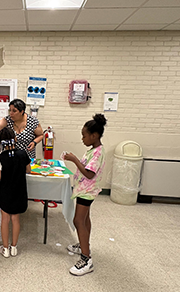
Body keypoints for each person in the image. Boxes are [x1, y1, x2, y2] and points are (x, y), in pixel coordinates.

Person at [63, 113, 107, 276]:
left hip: (87, 190)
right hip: (85, 189)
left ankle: (86, 259)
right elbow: (87, 168)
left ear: (94, 136)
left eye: (84, 136)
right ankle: (83, 244)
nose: (82, 139)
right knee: (85, 218)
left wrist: (74, 160)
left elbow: (89, 174)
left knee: (78, 220)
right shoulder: (94, 150)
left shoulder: (97, 153)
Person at [0, 127, 31, 258]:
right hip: (19, 192)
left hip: (5, 193)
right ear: (15, 139)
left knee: (5, 219)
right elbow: (28, 170)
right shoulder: (23, 154)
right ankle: (14, 247)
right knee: (16, 219)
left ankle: (5, 249)